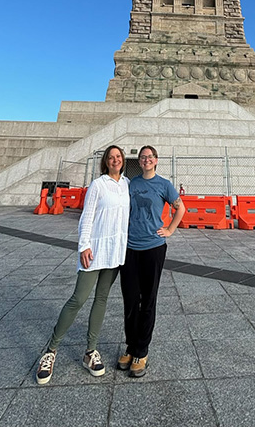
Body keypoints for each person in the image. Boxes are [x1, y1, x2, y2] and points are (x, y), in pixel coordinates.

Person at [36, 145, 129, 385]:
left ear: (123, 160)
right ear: (106, 162)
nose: (115, 160)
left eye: (118, 157)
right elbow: (87, 216)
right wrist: (84, 245)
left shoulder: (127, 184)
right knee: (78, 298)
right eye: (111, 157)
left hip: (115, 251)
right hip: (95, 250)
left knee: (101, 299)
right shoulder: (99, 185)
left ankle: (91, 351)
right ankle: (51, 350)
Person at [118, 145, 185, 377]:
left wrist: (170, 229)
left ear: (156, 160)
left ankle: (141, 350)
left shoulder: (164, 184)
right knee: (129, 299)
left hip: (153, 248)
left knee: (148, 299)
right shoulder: (132, 183)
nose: (146, 160)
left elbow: (180, 208)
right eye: (142, 157)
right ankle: (130, 345)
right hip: (129, 247)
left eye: (149, 157)